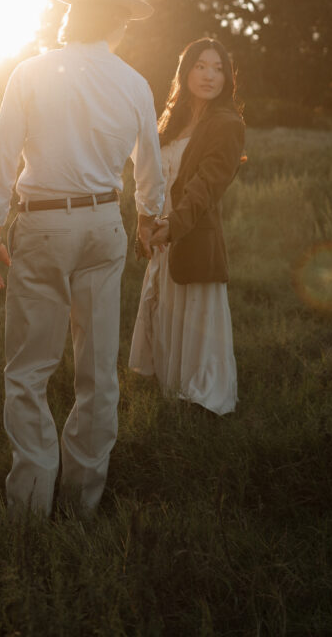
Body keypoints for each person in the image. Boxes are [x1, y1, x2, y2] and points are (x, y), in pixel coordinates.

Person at [0, 0, 164, 519]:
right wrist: (147, 220)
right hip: (105, 225)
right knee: (97, 369)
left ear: (70, 12)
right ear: (119, 22)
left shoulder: (31, 72)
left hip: (42, 224)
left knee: (30, 368)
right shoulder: (134, 82)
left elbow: (1, 156)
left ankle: (31, 503)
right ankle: (82, 501)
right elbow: (151, 170)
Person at [128, 38, 245, 416]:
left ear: (227, 77)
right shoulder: (171, 121)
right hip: (163, 236)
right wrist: (145, 223)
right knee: (164, 313)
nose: (210, 75)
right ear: (186, 71)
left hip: (190, 234)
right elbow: (148, 179)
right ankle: (169, 387)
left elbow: (207, 185)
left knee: (194, 322)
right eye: (201, 66)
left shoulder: (227, 124)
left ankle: (199, 401)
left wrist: (173, 225)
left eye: (218, 68)